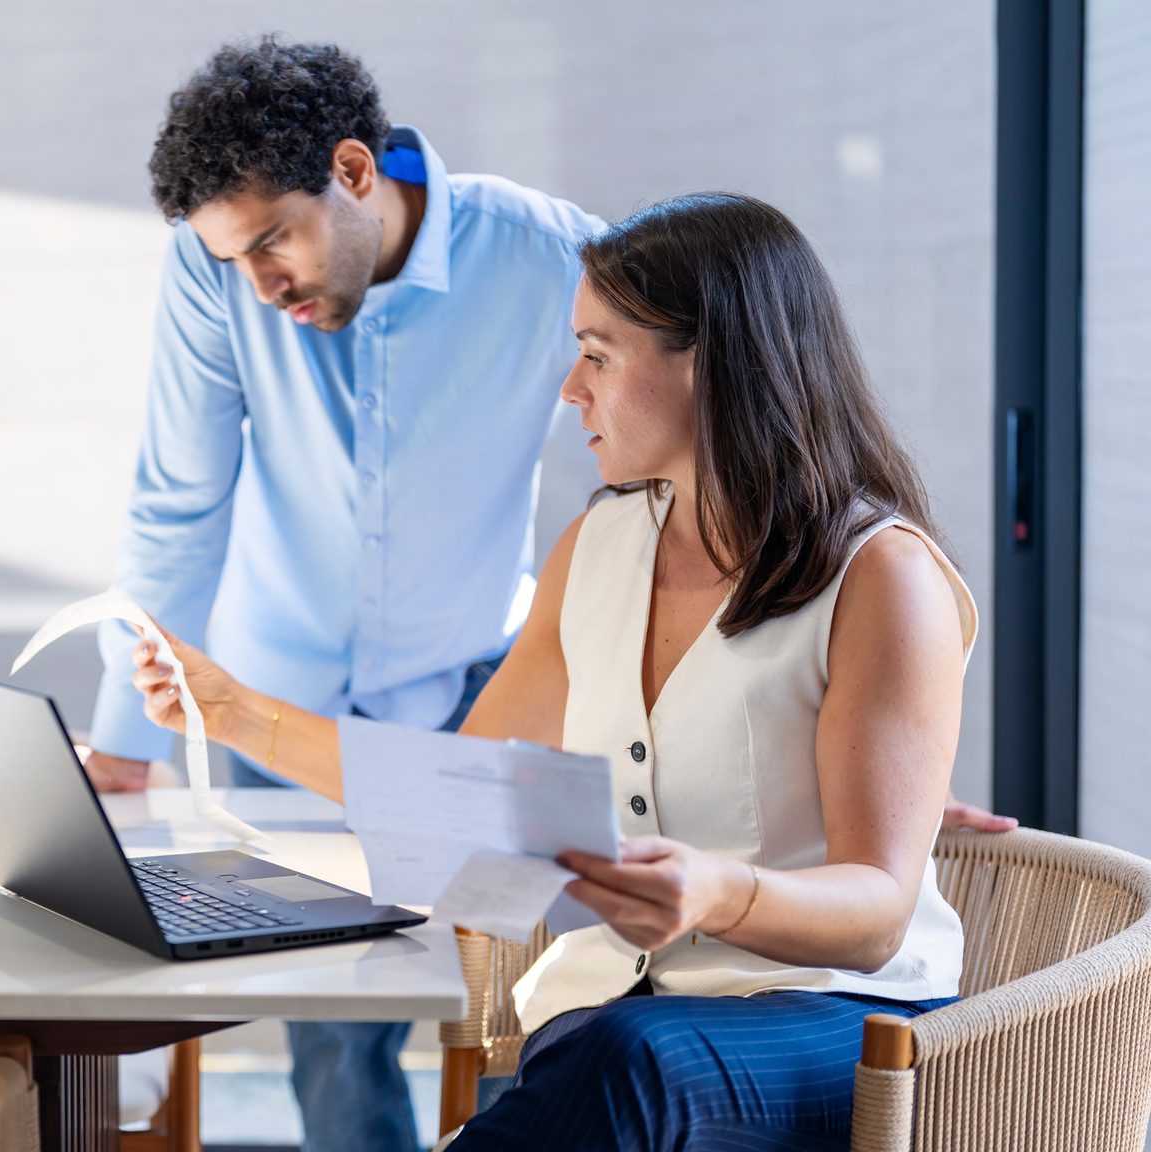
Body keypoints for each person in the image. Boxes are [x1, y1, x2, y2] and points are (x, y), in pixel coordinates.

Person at [130, 193, 995, 1149]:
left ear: (708, 362)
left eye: (597, 353)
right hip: (613, 1022)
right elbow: (446, 788)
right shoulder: (601, 546)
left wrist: (719, 894)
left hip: (838, 1024)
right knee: (604, 1061)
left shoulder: (882, 575)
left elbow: (877, 914)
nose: (567, 389)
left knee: (621, 1066)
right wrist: (228, 712)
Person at [84, 36, 607, 1152]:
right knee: (335, 1030)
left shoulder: (554, 257)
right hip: (282, 706)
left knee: (551, 996)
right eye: (238, 260)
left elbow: (719, 445)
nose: (264, 289)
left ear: (356, 171)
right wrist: (123, 738)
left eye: (276, 240)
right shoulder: (215, 274)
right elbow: (182, 502)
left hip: (476, 690)